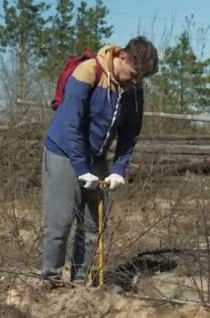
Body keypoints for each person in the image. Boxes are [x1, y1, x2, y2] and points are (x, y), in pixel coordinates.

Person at [41, 36, 159, 286]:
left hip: (96, 157)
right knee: (60, 223)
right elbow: (70, 124)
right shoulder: (88, 72)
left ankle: (80, 282)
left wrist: (118, 169)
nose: (137, 80)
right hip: (63, 150)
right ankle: (51, 281)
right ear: (122, 57)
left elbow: (130, 134)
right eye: (134, 73)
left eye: (142, 78)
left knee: (93, 227)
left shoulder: (134, 89)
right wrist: (82, 169)